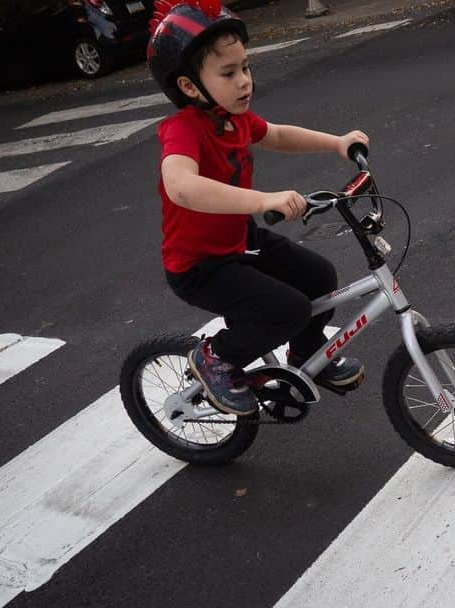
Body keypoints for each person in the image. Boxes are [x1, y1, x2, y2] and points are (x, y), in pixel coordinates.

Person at [147, 0, 368, 416]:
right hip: (200, 266)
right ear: (190, 87)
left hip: (238, 241)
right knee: (287, 309)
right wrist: (263, 200)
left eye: (245, 67)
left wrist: (337, 143)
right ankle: (214, 357)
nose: (244, 81)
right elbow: (181, 186)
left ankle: (305, 358)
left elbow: (280, 135)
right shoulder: (182, 130)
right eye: (228, 73)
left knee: (319, 277)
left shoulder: (236, 120)